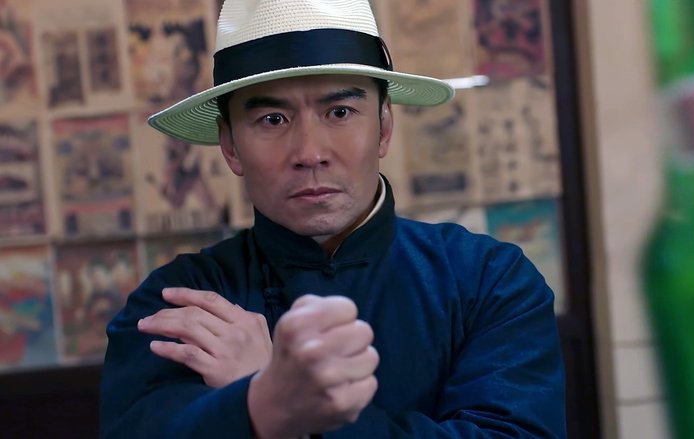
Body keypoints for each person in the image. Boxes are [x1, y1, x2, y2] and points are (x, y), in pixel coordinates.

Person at [100, 0, 566, 438]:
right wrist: (265, 401)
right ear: (230, 145)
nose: (310, 153)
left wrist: (277, 401)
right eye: (272, 120)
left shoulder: (487, 281)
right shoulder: (182, 303)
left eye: (339, 112)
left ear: (383, 127)